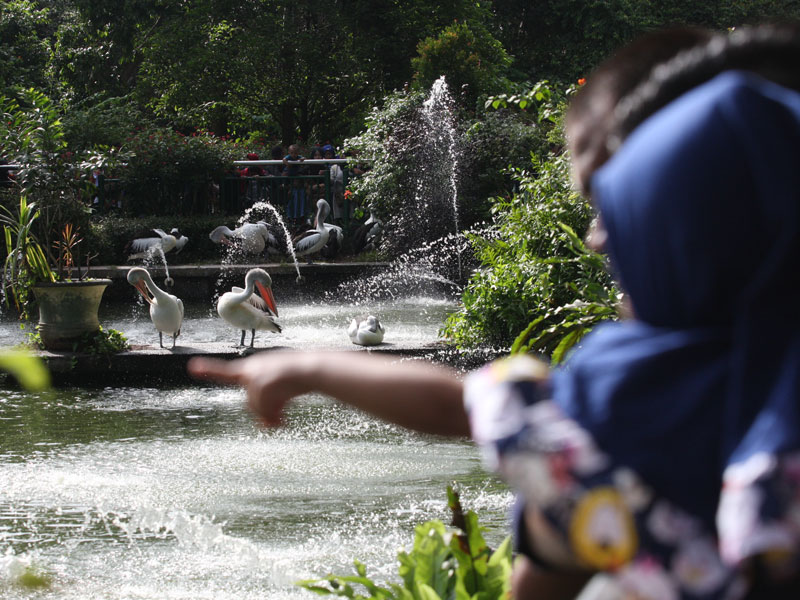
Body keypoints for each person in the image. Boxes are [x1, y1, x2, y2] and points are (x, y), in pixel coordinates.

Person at [189, 25, 800, 600]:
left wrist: (315, 368)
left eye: (619, 212)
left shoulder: (641, 391)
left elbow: (461, 403)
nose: (596, 238)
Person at [282, 144, 306, 228]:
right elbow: (284, 159)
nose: (293, 155)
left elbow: (303, 158)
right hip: (289, 178)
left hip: (296, 178)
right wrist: (287, 163)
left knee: (298, 196)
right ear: (289, 152)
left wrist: (301, 159)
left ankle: (299, 216)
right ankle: (291, 216)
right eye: (292, 153)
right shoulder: (288, 157)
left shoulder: (298, 157)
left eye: (295, 153)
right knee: (292, 198)